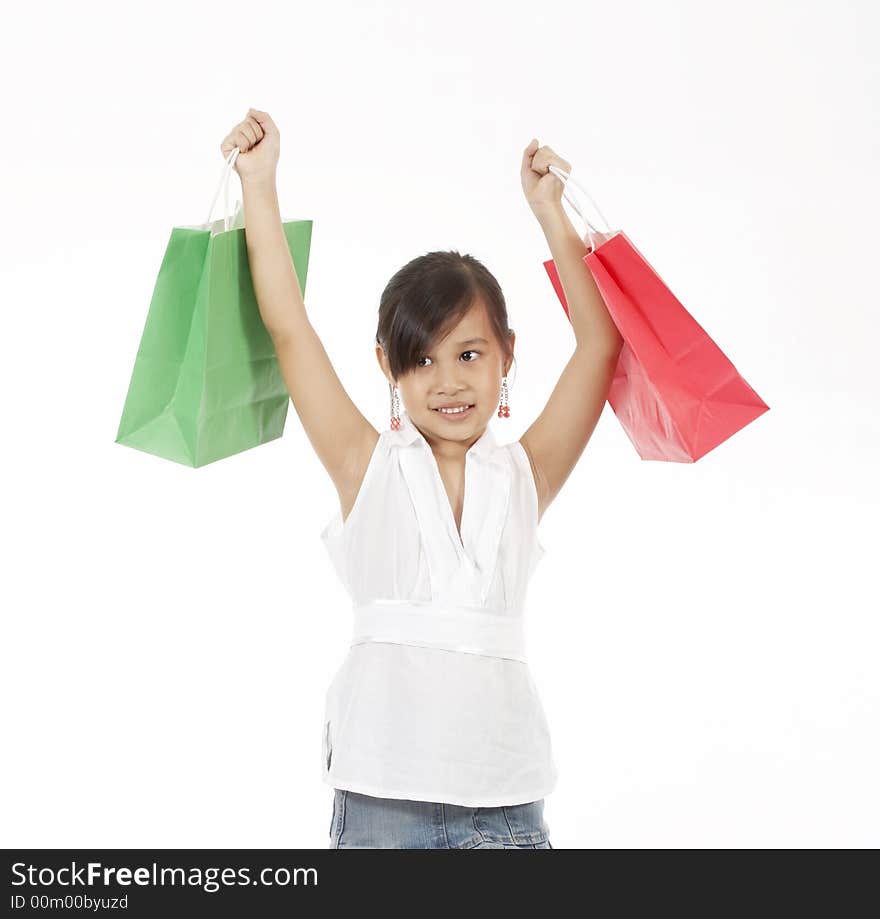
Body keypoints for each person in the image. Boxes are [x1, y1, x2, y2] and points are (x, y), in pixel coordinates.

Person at [220, 109, 624, 849]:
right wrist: (260, 183)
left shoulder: (523, 476)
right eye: (423, 358)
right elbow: (288, 328)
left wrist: (549, 212)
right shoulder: (365, 465)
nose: (448, 381)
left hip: (508, 805)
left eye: (470, 354)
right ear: (388, 366)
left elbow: (600, 345)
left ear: (507, 354)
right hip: (384, 806)